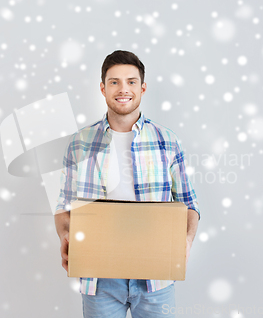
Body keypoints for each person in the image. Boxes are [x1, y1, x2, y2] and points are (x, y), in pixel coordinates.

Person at [54, 50, 200, 318]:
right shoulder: (79, 143)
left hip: (155, 278)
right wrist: (65, 234)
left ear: (142, 88)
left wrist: (187, 240)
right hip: (100, 278)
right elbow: (63, 206)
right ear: (103, 88)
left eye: (131, 81)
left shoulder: (167, 141)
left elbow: (188, 203)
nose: (123, 89)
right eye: (114, 82)